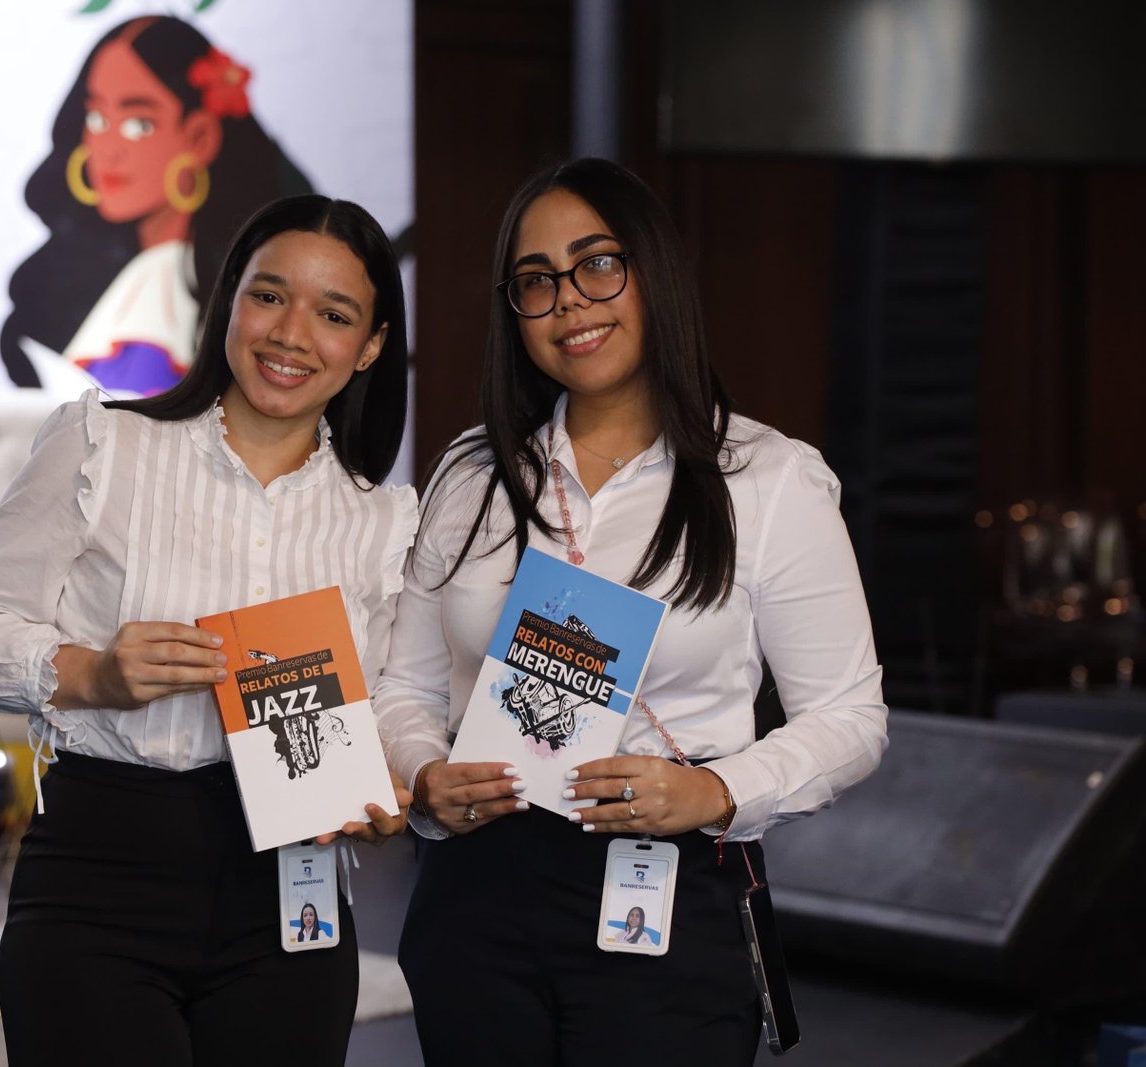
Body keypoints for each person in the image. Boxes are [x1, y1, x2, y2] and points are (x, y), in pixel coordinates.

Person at [374, 158, 887, 1065]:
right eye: (537, 280)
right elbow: (403, 687)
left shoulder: (768, 480)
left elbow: (851, 715)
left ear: (654, 271)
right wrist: (425, 773)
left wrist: (716, 792)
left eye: (598, 264)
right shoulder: (473, 474)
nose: (570, 300)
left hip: (664, 892)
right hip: (477, 895)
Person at [0, 194, 414, 1066]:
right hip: (102, 869)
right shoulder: (103, 445)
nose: (291, 333)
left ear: (371, 345)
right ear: (229, 299)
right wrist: (91, 673)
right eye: (270, 295)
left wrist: (386, 794)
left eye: (334, 314)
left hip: (292, 894)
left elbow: (381, 713)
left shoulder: (384, 520)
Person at [0, 15, 311, 396]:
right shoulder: (122, 283)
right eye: (97, 118)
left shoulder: (190, 288)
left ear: (199, 138)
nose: (108, 150)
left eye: (138, 124)